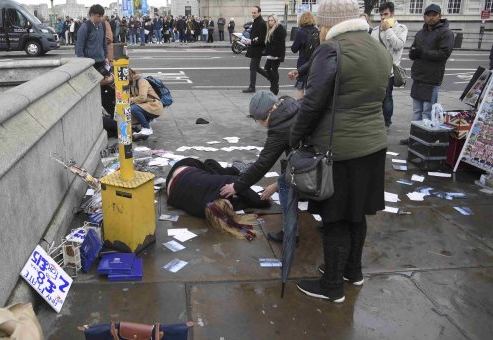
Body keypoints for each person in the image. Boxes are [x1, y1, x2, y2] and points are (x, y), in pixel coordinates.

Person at [290, 0, 391, 303]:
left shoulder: (332, 49)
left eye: (321, 25)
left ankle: (332, 285)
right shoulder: (376, 47)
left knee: (335, 218)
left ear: (329, 24)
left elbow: (313, 101)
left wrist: (295, 136)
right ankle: (353, 272)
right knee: (357, 213)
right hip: (373, 144)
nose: (320, 31)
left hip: (340, 149)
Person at [219, 91, 299, 241]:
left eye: (258, 120)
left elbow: (263, 163)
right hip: (322, 156)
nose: (260, 124)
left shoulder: (280, 126)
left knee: (285, 188)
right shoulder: (289, 104)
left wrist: (236, 186)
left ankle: (290, 234)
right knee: (283, 180)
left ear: (265, 115)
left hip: (314, 163)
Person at [401, 3, 454, 145]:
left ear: (440, 16)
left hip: (432, 78)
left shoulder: (446, 33)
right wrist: (412, 53)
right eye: (428, 15)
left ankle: (422, 139)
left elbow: (444, 54)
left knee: (427, 111)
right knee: (416, 111)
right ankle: (414, 137)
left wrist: (422, 52)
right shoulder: (420, 32)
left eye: (434, 15)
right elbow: (414, 50)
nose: (431, 18)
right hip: (418, 76)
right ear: (424, 16)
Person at [168, 158, 270, 218]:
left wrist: (261, 202)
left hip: (185, 167)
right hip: (172, 188)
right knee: (211, 165)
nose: (232, 203)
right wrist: (260, 202)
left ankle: (235, 169)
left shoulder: (218, 186)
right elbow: (239, 204)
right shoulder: (207, 212)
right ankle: (235, 168)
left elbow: (239, 184)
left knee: (210, 163)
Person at [370, 1, 407, 129]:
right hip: (376, 69)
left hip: (390, 69)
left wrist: (388, 31)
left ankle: (386, 122)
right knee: (376, 97)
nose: (383, 17)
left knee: (387, 97)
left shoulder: (401, 28)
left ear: (392, 14)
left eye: (385, 14)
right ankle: (376, 120)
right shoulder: (375, 30)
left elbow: (398, 45)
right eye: (381, 15)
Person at [289, 12, 318, 99]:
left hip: (302, 62)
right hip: (314, 62)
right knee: (311, 85)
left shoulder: (300, 32)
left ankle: (300, 106)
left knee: (300, 86)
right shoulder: (317, 31)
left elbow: (294, 49)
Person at [128, 68, 162, 136]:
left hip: (154, 105)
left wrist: (130, 99)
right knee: (129, 108)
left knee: (133, 108)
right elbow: (136, 95)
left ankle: (147, 128)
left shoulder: (141, 81)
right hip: (147, 105)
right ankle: (142, 124)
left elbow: (142, 97)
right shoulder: (132, 83)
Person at [257, 15, 285, 95]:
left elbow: (279, 44)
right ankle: (274, 84)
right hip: (271, 54)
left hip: (276, 54)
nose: (270, 22)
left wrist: (276, 54)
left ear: (275, 21)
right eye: (269, 20)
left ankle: (275, 87)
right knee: (267, 68)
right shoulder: (271, 29)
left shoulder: (279, 29)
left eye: (272, 20)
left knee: (274, 69)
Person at [243, 6, 267, 93]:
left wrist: (251, 41)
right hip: (254, 47)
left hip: (258, 48)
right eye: (252, 12)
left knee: (253, 67)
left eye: (254, 13)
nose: (253, 14)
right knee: (256, 67)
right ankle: (271, 78)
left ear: (259, 13)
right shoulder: (256, 21)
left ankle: (252, 87)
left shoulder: (261, 23)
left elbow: (261, 38)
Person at [76, 5, 108, 69]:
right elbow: (79, 47)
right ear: (92, 15)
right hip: (89, 63)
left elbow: (104, 42)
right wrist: (82, 62)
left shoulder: (102, 26)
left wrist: (105, 57)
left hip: (101, 61)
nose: (101, 18)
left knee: (105, 78)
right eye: (98, 16)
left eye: (102, 16)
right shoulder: (85, 27)